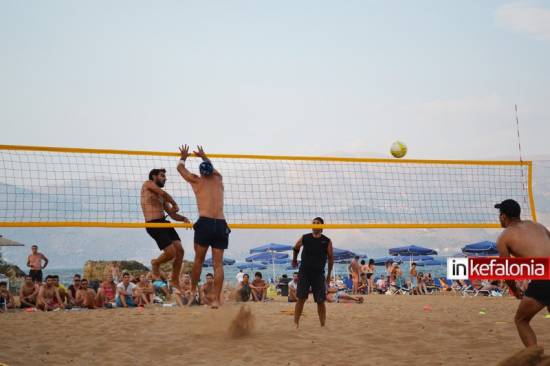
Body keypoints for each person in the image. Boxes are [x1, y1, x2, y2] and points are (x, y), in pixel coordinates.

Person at [177, 145, 230, 309]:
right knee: (218, 265)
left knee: (198, 260)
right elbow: (212, 168)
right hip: (221, 224)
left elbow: (180, 168)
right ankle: (216, 299)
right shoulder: (219, 179)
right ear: (212, 171)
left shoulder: (197, 180)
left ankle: (193, 289)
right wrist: (203, 156)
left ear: (201, 173)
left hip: (205, 222)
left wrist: (184, 156)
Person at [494, 199, 550, 347]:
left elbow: (506, 272)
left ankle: (535, 359)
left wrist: (515, 291)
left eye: (499, 214)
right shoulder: (538, 226)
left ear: (503, 216)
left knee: (521, 320)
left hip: (545, 276)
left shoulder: (504, 236)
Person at [141, 168, 190, 291]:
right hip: (153, 224)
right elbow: (164, 194)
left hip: (164, 223)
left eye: (164, 176)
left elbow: (172, 215)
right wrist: (175, 204)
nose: (165, 178)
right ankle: (156, 263)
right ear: (154, 176)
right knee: (171, 253)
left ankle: (174, 279)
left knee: (180, 251)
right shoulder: (147, 184)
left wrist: (183, 218)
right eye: (162, 176)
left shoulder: (161, 196)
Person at [292, 217, 334, 328]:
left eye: (317, 223)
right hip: (304, 272)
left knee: (320, 301)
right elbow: (296, 247)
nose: (315, 224)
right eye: (313, 223)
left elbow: (330, 259)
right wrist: (294, 259)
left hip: (318, 274)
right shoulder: (305, 237)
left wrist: (328, 276)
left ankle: (322, 325)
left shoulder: (327, 241)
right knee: (301, 298)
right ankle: (296, 324)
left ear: (322, 226)